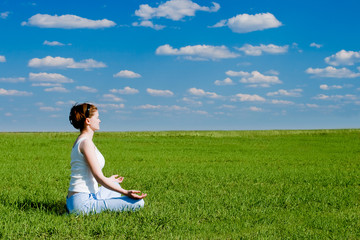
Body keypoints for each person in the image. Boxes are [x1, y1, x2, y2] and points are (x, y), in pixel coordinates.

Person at [66, 103, 147, 214]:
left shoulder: (82, 140)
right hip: (83, 202)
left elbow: (90, 175)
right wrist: (126, 192)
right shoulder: (86, 143)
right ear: (88, 121)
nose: (99, 121)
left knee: (115, 185)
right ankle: (80, 210)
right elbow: (99, 178)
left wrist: (110, 180)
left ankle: (96, 204)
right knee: (139, 203)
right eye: (97, 118)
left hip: (78, 198)